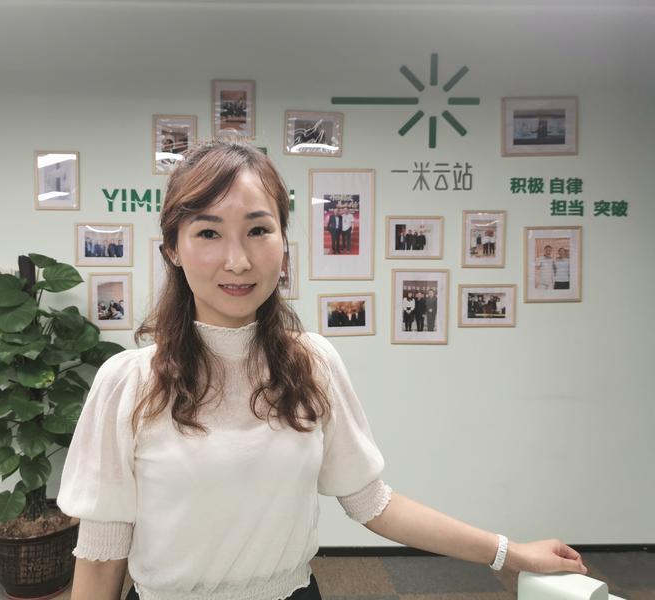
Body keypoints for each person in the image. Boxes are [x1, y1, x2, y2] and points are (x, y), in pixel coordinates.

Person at [58, 141, 587, 600]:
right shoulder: (130, 383)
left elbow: (372, 503)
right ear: (172, 249)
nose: (238, 261)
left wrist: (508, 553)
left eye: (258, 230)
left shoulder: (310, 364)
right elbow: (103, 553)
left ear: (284, 245)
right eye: (209, 233)